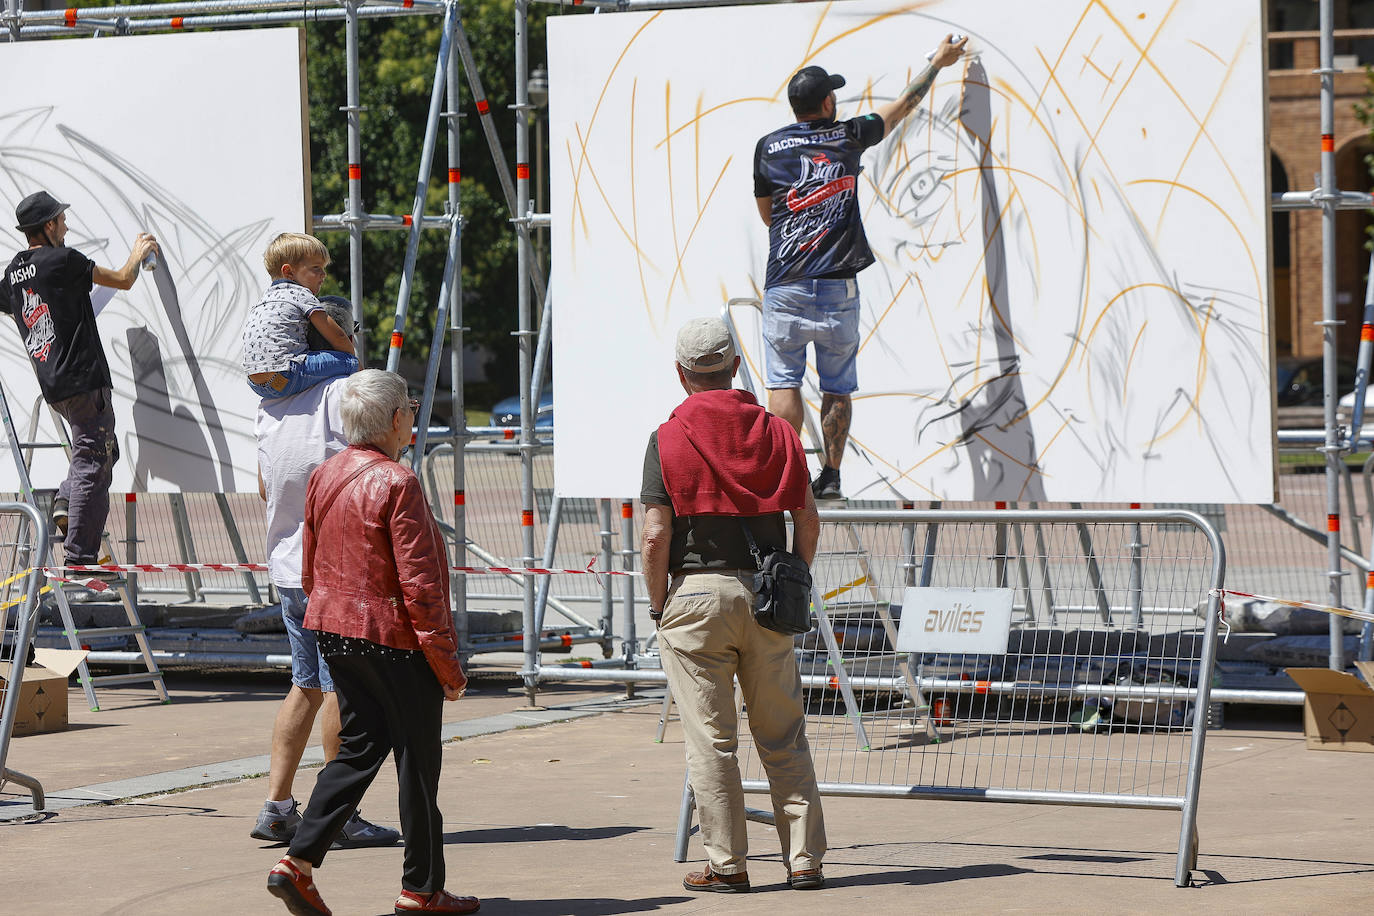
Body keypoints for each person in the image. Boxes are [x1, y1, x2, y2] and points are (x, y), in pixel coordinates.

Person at [266, 369, 477, 916]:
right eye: (408, 406)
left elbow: (311, 563)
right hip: (394, 638)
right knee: (416, 762)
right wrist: (445, 661)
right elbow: (420, 583)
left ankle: (297, 861)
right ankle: (422, 888)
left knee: (358, 749)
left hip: (335, 629)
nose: (411, 415)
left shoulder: (326, 473)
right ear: (393, 420)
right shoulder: (397, 481)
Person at [640, 317, 825, 893]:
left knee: (712, 741)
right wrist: (793, 574)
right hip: (769, 595)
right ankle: (804, 861)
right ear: (737, 366)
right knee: (784, 733)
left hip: (695, 595)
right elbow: (807, 519)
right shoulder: (778, 432)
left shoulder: (667, 437)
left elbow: (654, 533)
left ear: (681, 373)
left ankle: (729, 865)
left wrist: (658, 603)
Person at [753, 35, 967, 499]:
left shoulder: (767, 147)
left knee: (783, 381)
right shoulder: (848, 135)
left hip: (785, 281)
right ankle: (830, 477)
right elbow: (904, 105)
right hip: (835, 286)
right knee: (836, 386)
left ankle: (783, 478)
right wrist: (938, 64)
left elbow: (768, 213)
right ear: (827, 101)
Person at [250, 296, 398, 852]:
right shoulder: (345, 393)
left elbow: (266, 487)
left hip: (288, 564)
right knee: (342, 690)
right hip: (333, 567)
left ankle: (278, 806)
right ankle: (338, 814)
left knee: (305, 685)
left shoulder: (267, 403)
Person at [0, 190, 158, 568]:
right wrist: (138, 254)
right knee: (92, 462)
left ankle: (66, 502)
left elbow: (17, 304)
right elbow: (122, 279)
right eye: (62, 220)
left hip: (53, 386)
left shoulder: (14, 273)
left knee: (103, 453)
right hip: (84, 382)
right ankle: (80, 558)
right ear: (49, 225)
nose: (67, 226)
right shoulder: (62, 259)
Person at [242, 233, 357, 400]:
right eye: (316, 268)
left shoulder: (264, 299)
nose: (323, 275)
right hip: (287, 375)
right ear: (288, 272)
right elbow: (337, 336)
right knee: (349, 362)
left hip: (256, 383)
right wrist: (352, 360)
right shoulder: (300, 293)